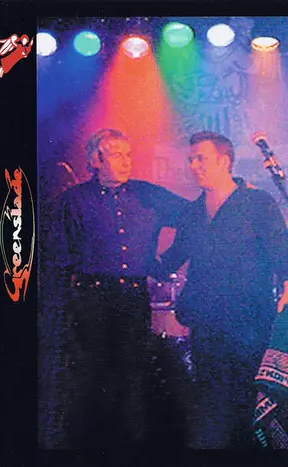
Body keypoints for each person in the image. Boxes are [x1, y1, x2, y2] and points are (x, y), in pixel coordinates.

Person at [155, 130, 288, 449]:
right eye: (191, 159)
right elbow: (172, 257)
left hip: (249, 322)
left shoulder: (257, 203)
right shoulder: (192, 213)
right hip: (206, 325)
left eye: (201, 158)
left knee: (249, 405)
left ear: (224, 161)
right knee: (213, 406)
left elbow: (283, 254)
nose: (194, 165)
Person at [47, 128, 189, 451]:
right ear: (96, 159)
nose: (126, 162)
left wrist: (166, 262)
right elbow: (59, 258)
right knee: (92, 379)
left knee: (133, 377)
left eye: (128, 155)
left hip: (133, 299)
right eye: (117, 155)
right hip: (91, 301)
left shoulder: (147, 194)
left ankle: (131, 447)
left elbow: (193, 216)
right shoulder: (74, 200)